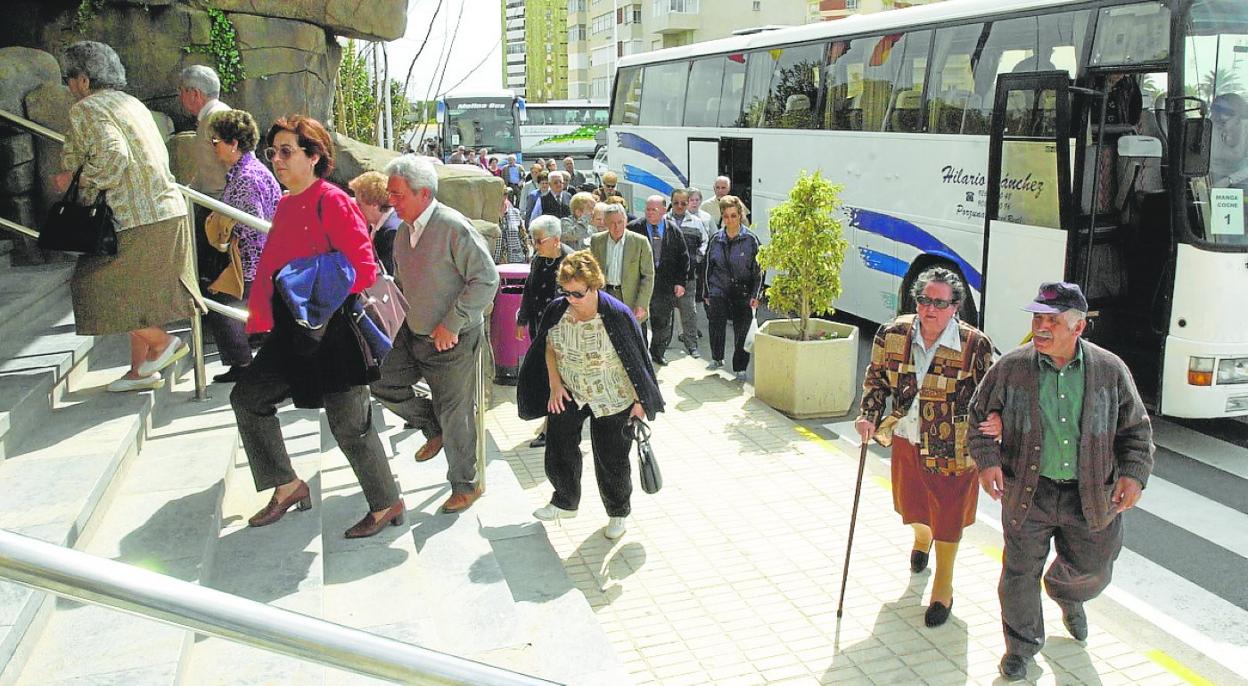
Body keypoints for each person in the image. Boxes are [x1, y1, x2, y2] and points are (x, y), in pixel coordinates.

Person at [968, 282, 1154, 681]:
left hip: (1090, 496)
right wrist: (987, 462)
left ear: (1078, 327)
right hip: (1026, 493)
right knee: (1018, 574)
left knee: (1096, 566)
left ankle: (1068, 594)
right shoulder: (1013, 367)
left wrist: (1134, 475)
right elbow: (978, 416)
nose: (1041, 327)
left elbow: (1136, 430)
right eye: (1038, 318)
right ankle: (1021, 647)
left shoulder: (1109, 370)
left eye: (1052, 320)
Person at [231, 115, 403, 539]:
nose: (277, 160)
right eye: (273, 152)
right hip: (295, 333)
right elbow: (272, 266)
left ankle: (386, 504)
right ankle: (287, 485)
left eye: (287, 152)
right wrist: (261, 317)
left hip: (337, 335)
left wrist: (310, 279)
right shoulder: (287, 204)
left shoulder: (334, 200)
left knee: (350, 427)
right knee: (248, 397)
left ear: (314, 157)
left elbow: (364, 268)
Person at [53, 41, 205, 392]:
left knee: (91, 287)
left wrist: (75, 181)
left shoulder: (87, 109)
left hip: (132, 217)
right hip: (167, 211)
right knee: (139, 297)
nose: (68, 87)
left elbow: (112, 155)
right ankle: (141, 371)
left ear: (85, 81)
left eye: (69, 78)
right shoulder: (131, 104)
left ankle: (163, 343)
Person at [854, 267, 995, 628]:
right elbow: (876, 380)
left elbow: (994, 394)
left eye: (939, 302)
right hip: (907, 437)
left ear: (955, 307)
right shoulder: (893, 333)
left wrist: (998, 421)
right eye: (924, 300)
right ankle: (922, 538)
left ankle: (942, 588)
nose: (930, 309)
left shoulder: (974, 344)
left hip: (954, 448)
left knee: (948, 518)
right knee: (913, 507)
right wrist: (868, 414)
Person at [371, 155, 500, 514]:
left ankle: (466, 485)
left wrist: (453, 322)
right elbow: (402, 283)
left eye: (397, 195)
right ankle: (432, 424)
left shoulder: (452, 227)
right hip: (412, 333)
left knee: (456, 411)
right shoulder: (401, 232)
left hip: (452, 340)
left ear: (423, 193)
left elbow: (487, 280)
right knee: (380, 381)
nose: (391, 201)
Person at [516, 251, 664, 540]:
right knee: (558, 445)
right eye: (566, 292)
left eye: (578, 293)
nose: (571, 298)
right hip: (571, 390)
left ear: (594, 285)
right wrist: (555, 385)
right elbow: (548, 346)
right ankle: (565, 501)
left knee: (612, 460)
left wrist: (639, 402)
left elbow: (637, 359)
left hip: (613, 396)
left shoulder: (617, 314)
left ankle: (618, 512)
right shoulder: (558, 310)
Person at [204, 109, 281, 383]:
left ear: (233, 143)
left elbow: (254, 225)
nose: (214, 149)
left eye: (216, 142)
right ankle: (244, 359)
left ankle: (242, 363)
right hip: (255, 259)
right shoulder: (248, 170)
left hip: (254, 262)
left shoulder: (247, 177)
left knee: (222, 304)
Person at [178, 65, 232, 292]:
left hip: (218, 207)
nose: (180, 97)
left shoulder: (216, 117)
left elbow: (234, 162)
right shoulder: (212, 117)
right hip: (211, 203)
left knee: (212, 271)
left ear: (194, 93)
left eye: (181, 91)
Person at [703, 196, 760, 377]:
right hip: (719, 290)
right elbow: (707, 267)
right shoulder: (715, 239)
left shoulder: (751, 240)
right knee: (716, 326)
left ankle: (740, 367)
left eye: (733, 215)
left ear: (740, 215)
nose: (730, 220)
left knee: (741, 331)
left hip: (742, 292)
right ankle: (717, 358)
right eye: (726, 216)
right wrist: (706, 292)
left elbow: (759, 271)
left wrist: (755, 295)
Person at [628, 195, 688, 366]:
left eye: (654, 210)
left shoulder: (673, 230)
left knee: (662, 322)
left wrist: (680, 282)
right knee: (638, 321)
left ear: (663, 210)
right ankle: (641, 355)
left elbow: (683, 258)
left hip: (664, 286)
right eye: (647, 209)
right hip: (639, 286)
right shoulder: (634, 228)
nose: (649, 213)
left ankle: (658, 352)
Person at [591, 204, 654, 327]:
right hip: (605, 294)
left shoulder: (640, 242)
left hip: (629, 297)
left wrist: (642, 303)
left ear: (626, 221)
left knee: (631, 338)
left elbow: (648, 276)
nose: (617, 227)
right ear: (605, 223)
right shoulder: (597, 241)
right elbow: (593, 270)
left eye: (620, 222)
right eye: (612, 223)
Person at [517, 216, 575, 342]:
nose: (535, 246)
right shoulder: (538, 259)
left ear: (556, 239)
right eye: (532, 240)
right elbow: (529, 289)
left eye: (539, 241)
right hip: (538, 325)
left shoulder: (571, 261)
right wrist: (522, 320)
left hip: (563, 329)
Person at [668, 188, 708, 359]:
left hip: (688, 276)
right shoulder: (663, 221)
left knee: (689, 312)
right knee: (664, 312)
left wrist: (697, 258)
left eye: (683, 203)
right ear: (671, 202)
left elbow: (705, 242)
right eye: (676, 203)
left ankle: (692, 345)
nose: (679, 206)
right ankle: (661, 346)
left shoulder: (696, 222)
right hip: (666, 276)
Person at [348, 171, 401, 277]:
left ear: (374, 205)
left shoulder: (391, 233)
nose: (355, 208)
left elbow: (386, 277)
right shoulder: (378, 223)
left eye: (359, 204)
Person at [1210, 93, 1248, 189]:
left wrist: (1229, 180)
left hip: (1242, 181)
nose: (1217, 120)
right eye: (1215, 115)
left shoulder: (1245, 131)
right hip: (1211, 179)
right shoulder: (1209, 128)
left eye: (1222, 121)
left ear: (1238, 119)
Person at [495, 192, 528, 264]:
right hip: (495, 261)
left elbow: (523, 237)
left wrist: (527, 255)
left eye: (504, 194)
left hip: (516, 260)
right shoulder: (488, 215)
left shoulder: (515, 213)